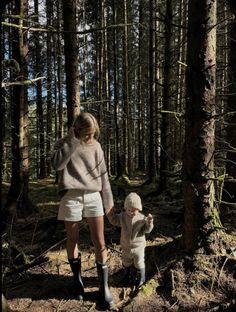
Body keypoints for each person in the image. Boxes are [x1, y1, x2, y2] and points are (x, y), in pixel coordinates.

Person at [50, 112, 114, 308]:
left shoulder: (97, 146)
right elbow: (56, 165)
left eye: (93, 133)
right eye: (87, 134)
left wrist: (108, 201)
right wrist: (71, 141)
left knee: (100, 241)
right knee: (72, 239)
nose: (90, 137)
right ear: (77, 130)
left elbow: (103, 176)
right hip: (71, 197)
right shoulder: (64, 143)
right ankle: (78, 284)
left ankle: (104, 288)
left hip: (94, 196)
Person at [107, 192, 153, 290]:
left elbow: (147, 230)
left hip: (138, 247)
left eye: (134, 210)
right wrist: (110, 214)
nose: (131, 212)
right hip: (125, 246)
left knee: (139, 262)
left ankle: (141, 278)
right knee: (126, 261)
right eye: (129, 210)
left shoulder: (141, 218)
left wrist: (149, 222)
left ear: (139, 209)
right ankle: (126, 275)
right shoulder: (122, 216)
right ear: (125, 209)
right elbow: (114, 220)